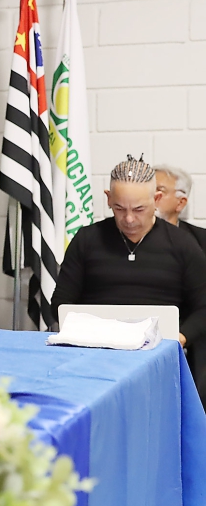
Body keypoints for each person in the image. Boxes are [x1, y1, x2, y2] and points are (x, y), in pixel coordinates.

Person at [51, 155, 206, 405]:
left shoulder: (182, 244)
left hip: (159, 358)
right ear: (108, 198)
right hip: (94, 357)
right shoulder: (87, 240)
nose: (129, 219)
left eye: (139, 209)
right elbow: (61, 303)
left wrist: (180, 337)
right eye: (119, 208)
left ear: (156, 199)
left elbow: (203, 306)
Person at [154, 164, 206, 250]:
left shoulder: (201, 240)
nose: (150, 195)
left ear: (180, 203)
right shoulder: (132, 235)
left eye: (160, 190)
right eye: (148, 189)